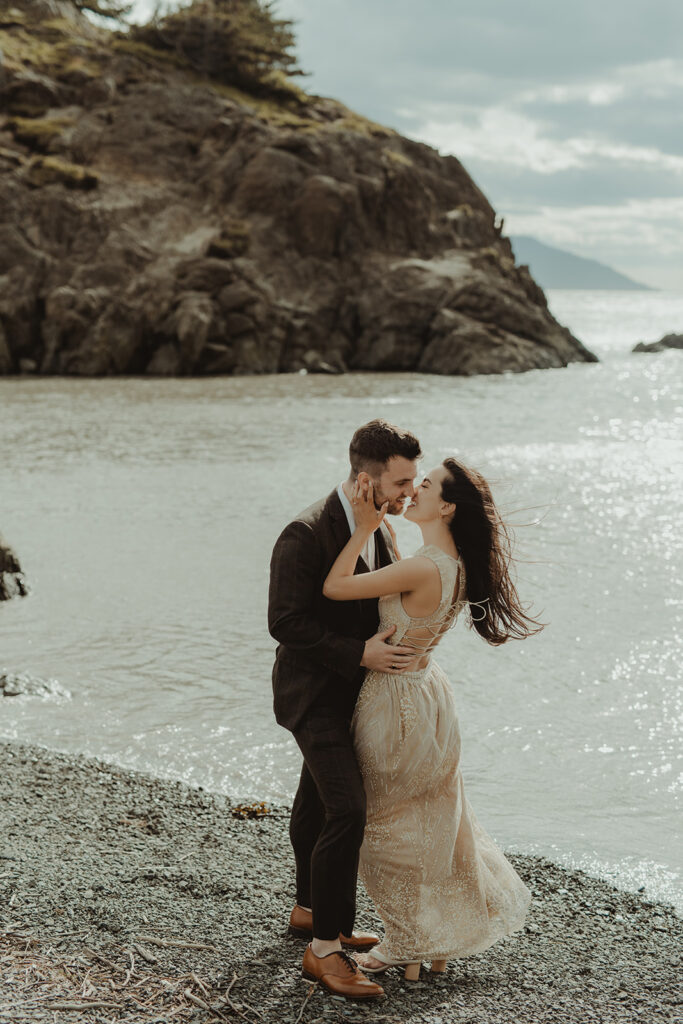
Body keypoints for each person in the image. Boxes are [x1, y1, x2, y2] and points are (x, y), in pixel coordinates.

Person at [322, 457, 542, 979]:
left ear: (446, 506)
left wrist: (364, 529)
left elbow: (335, 585)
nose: (414, 491)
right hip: (428, 694)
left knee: (381, 823)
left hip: (394, 698)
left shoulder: (425, 566)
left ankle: (408, 939)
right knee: (434, 817)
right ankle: (434, 941)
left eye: (426, 485)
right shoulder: (454, 563)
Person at [268, 420, 422, 1000]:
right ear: (367, 477)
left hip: (354, 696)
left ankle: (310, 909)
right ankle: (324, 951)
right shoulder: (304, 532)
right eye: (401, 482)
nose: (409, 492)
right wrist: (359, 652)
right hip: (312, 696)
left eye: (413, 482)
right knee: (347, 811)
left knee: (316, 802)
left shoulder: (377, 526)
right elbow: (284, 622)